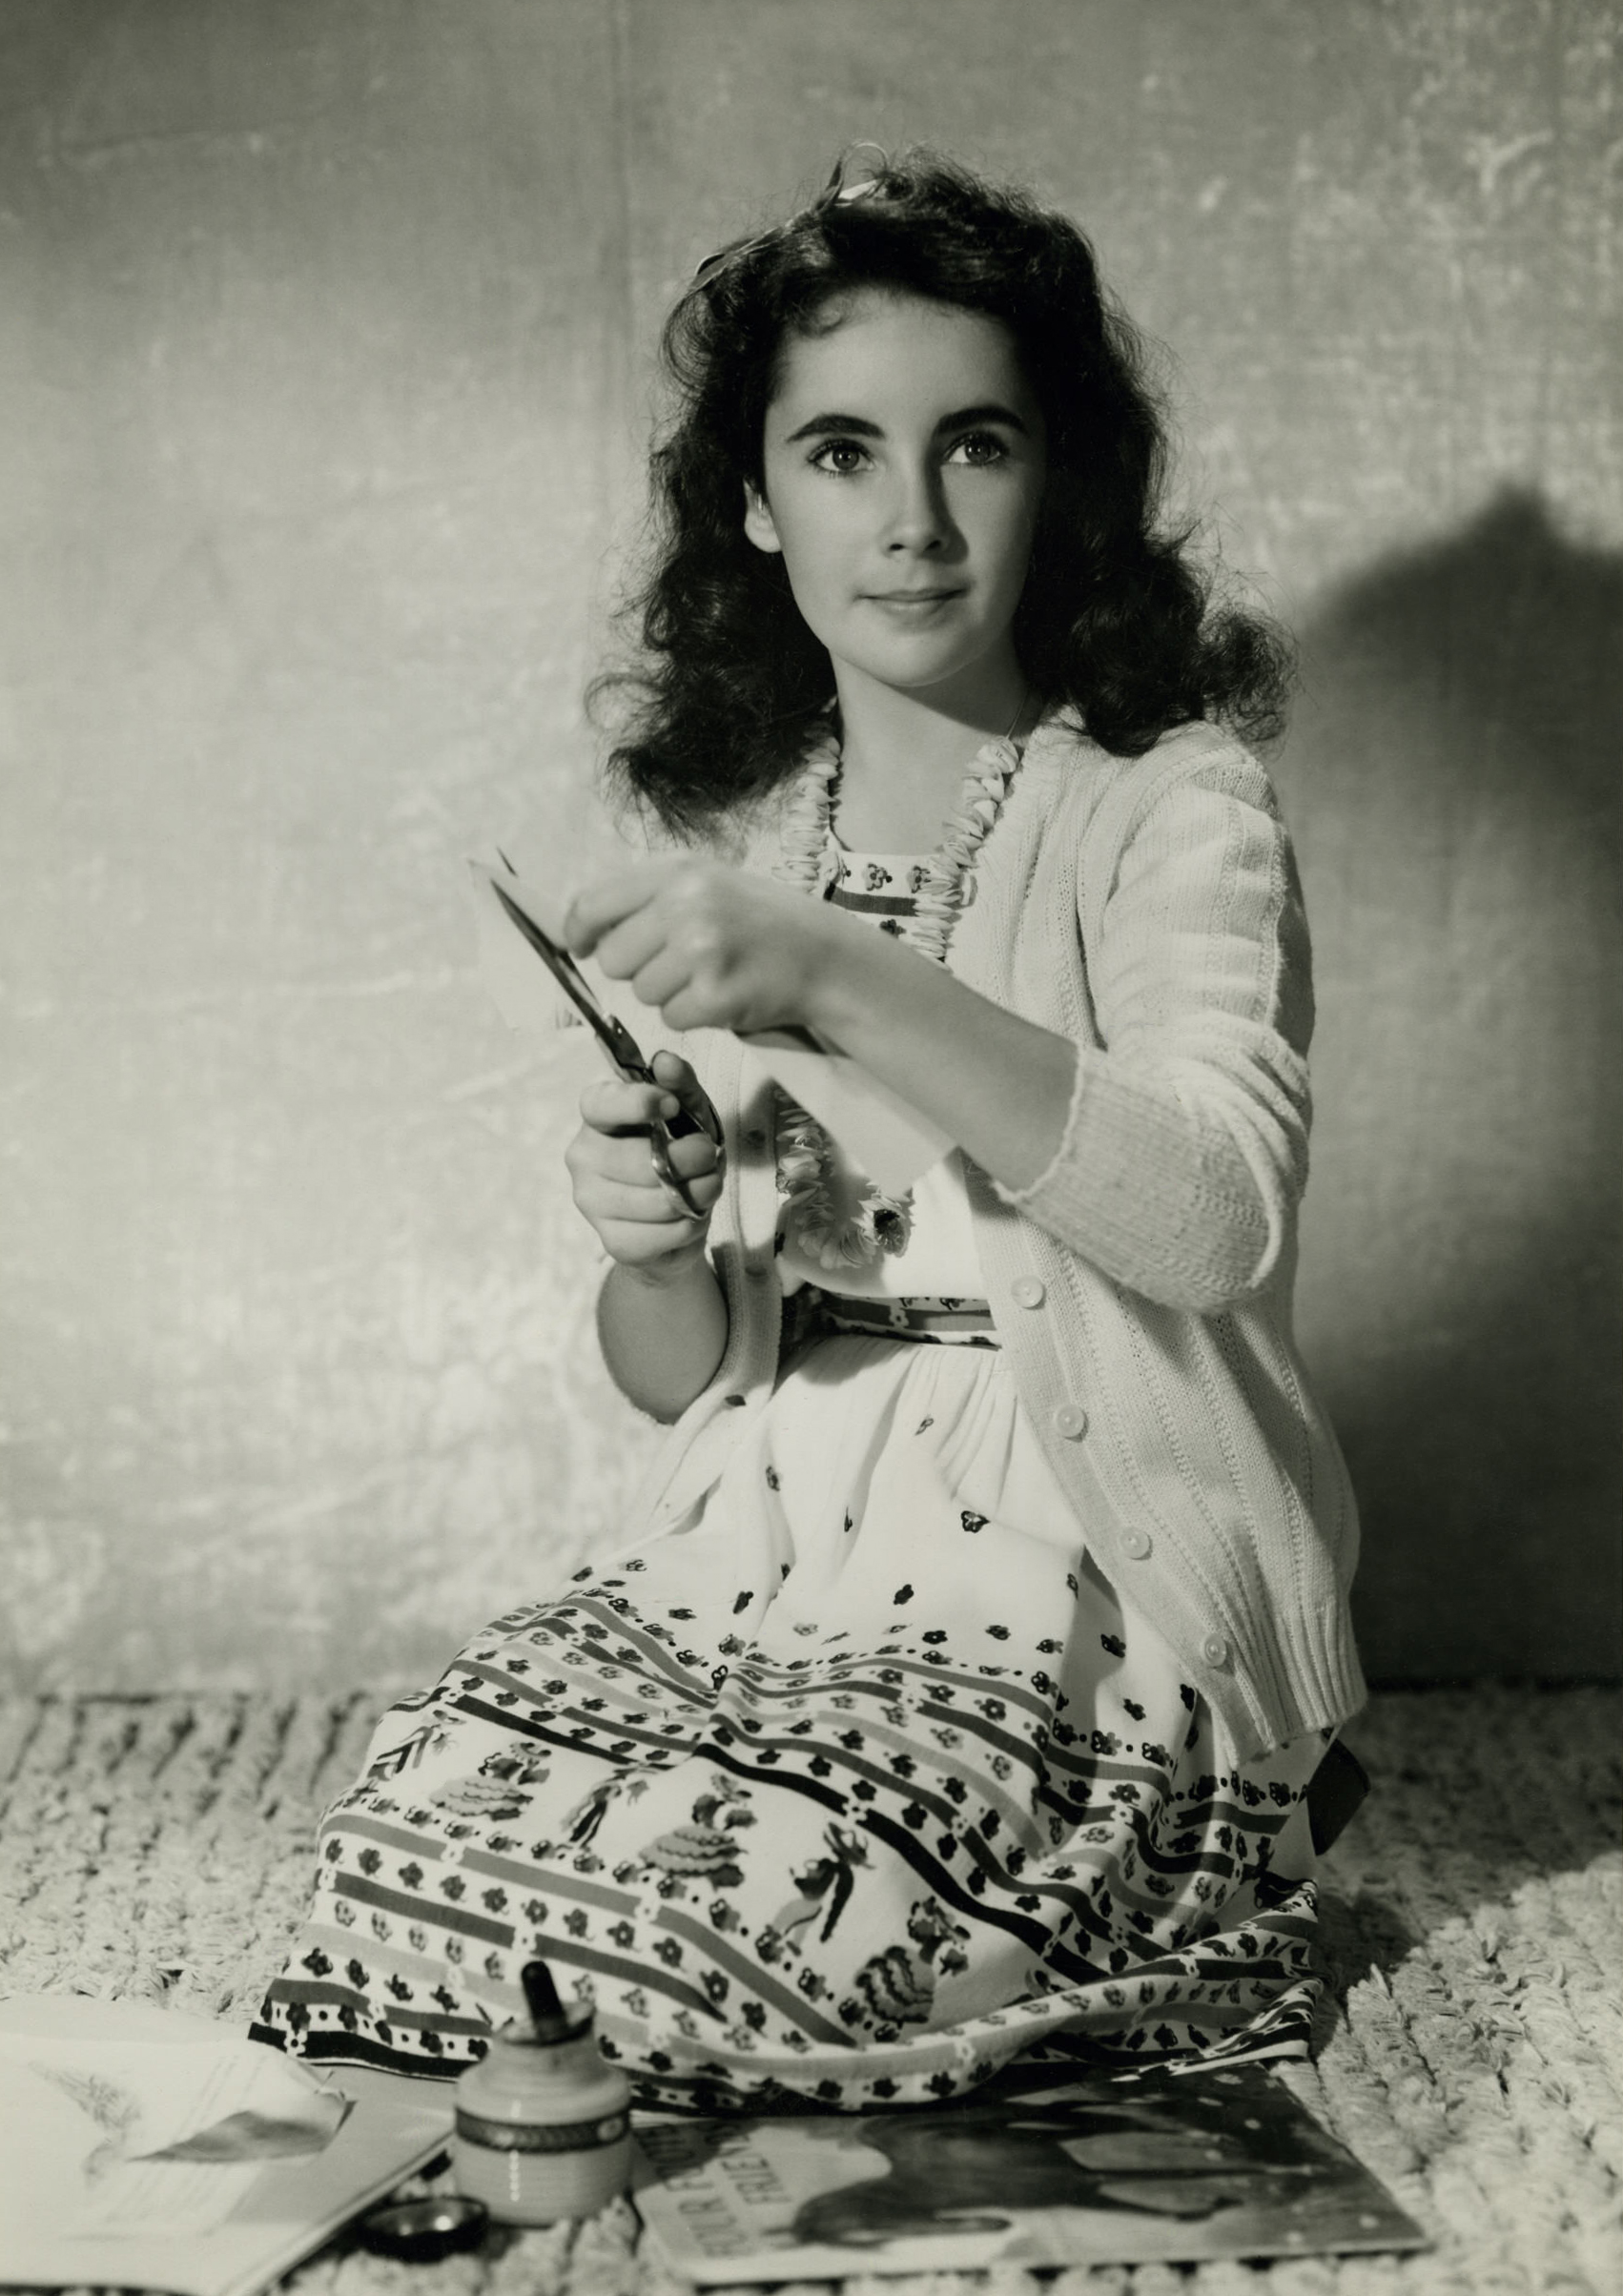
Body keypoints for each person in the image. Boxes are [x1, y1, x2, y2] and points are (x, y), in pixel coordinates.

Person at [254, 150, 1366, 2112]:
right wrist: (653, 1246)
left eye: (974, 446)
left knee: (763, 1936)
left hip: (1087, 1565)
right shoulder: (768, 843)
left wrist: (837, 978)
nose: (911, 519)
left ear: (1056, 480)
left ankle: (1189, 1860)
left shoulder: (1168, 805)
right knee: (401, 1873)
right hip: (776, 1550)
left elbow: (1209, 1222)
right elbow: (695, 1369)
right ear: (758, 505)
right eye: (841, 453)